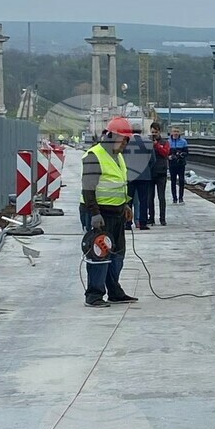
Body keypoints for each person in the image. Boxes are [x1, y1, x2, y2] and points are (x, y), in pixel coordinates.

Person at [80, 116, 139, 308]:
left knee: (117, 254)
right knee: (99, 253)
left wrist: (126, 205)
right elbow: (88, 189)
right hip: (99, 213)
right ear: (112, 136)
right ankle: (94, 295)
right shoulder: (94, 155)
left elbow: (118, 184)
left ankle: (114, 291)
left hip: (116, 212)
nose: (126, 144)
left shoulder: (117, 155)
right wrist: (95, 213)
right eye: (124, 139)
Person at [126, 127, 155, 231]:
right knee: (143, 200)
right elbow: (152, 160)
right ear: (141, 132)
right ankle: (143, 223)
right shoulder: (147, 142)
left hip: (129, 175)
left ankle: (127, 223)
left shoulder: (126, 142)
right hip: (144, 176)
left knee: (128, 200)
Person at [147, 121, 169, 226]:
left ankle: (162, 218)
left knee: (161, 197)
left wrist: (157, 146)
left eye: (155, 132)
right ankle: (151, 217)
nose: (154, 134)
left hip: (161, 172)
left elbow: (165, 153)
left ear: (159, 132)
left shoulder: (164, 142)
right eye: (152, 132)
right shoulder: (147, 142)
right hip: (150, 173)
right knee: (150, 197)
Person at [169, 126, 189, 203]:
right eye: (174, 131)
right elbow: (166, 153)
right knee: (173, 181)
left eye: (177, 131)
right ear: (171, 132)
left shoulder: (183, 142)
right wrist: (169, 157)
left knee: (181, 180)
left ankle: (181, 197)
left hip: (181, 164)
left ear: (179, 132)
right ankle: (174, 198)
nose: (176, 133)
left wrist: (181, 154)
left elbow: (187, 153)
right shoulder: (168, 142)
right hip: (172, 164)